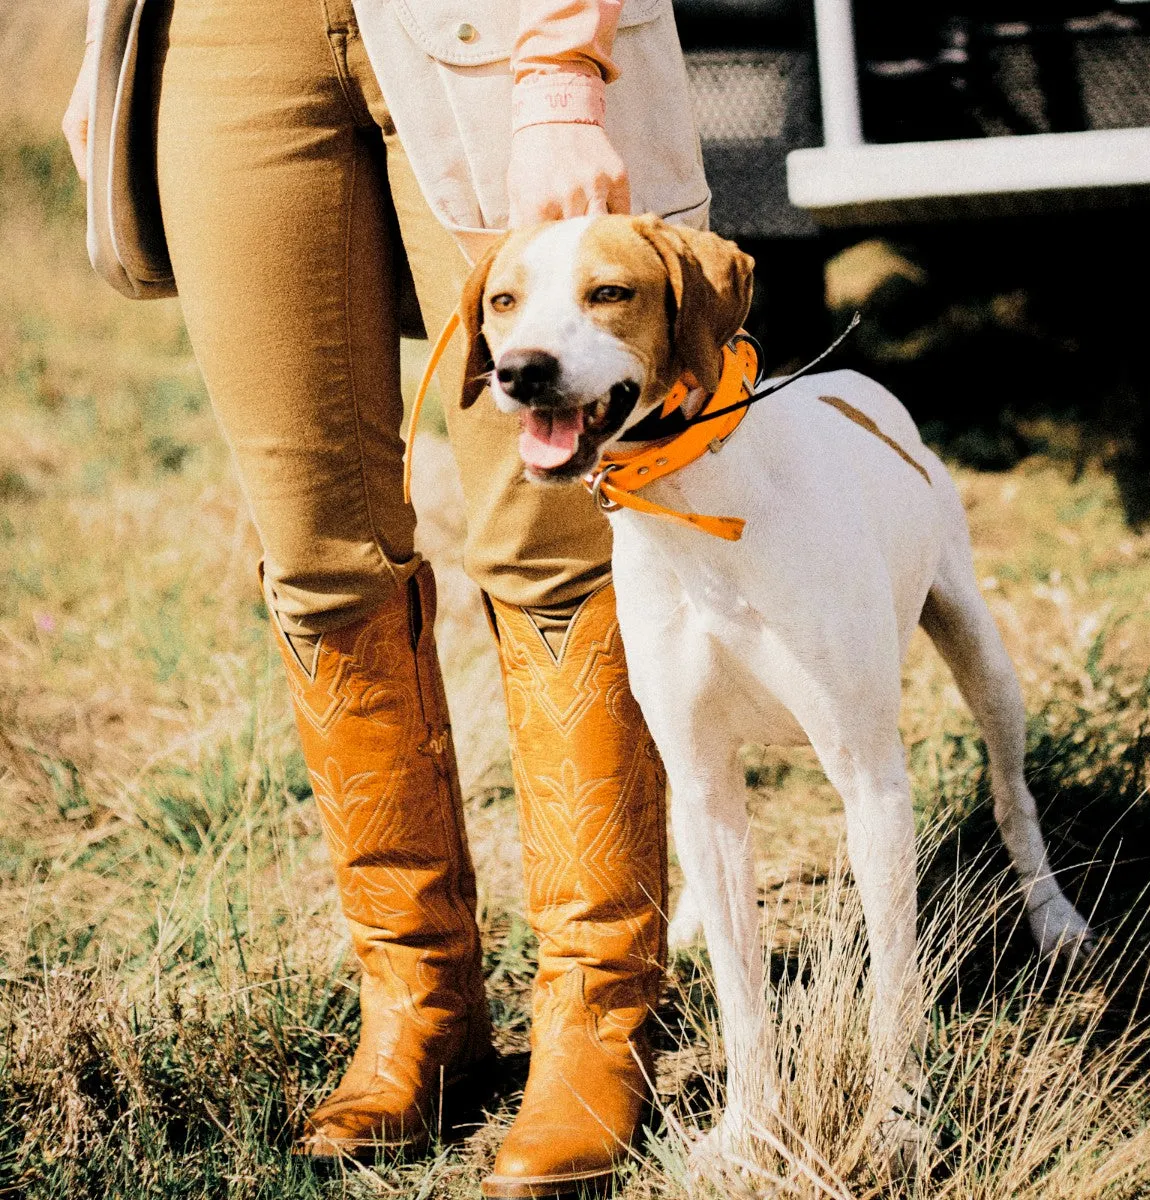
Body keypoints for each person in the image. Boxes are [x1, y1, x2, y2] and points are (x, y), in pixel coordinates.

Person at [63, 1, 708, 1195]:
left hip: (494, 24)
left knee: (555, 539)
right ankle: (419, 1004)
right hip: (216, 40)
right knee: (313, 554)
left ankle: (598, 1014)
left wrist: (563, 68)